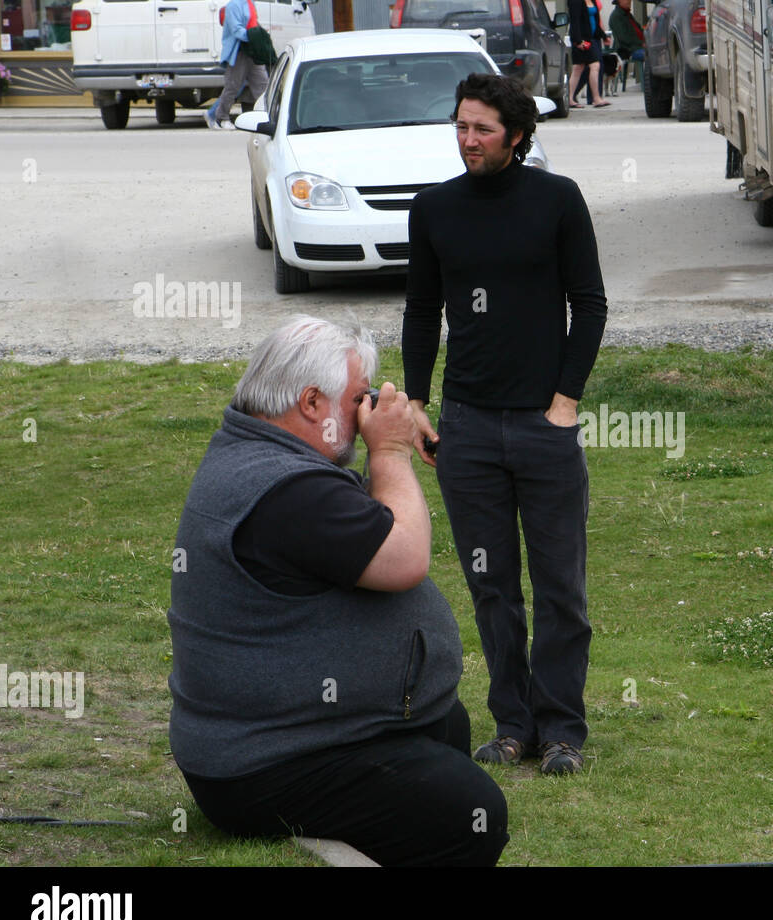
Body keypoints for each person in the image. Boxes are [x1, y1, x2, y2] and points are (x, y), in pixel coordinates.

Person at [168, 317, 507, 866]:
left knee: (446, 725)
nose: (366, 414)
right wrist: (391, 455)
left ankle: (346, 835)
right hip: (265, 763)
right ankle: (321, 836)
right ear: (310, 403)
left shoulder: (260, 456)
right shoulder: (286, 490)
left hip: (278, 738)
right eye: (358, 400)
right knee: (471, 813)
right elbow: (405, 559)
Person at [402, 73, 607, 775]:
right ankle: (512, 726)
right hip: (467, 428)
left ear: (516, 136)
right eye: (460, 127)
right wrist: (419, 403)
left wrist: (565, 403)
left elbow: (591, 303)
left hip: (542, 430)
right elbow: (421, 310)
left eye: (482, 129)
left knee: (560, 590)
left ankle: (562, 732)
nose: (467, 141)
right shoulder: (434, 209)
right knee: (492, 587)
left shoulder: (557, 200)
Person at [206, 0, 269, 130]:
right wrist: (253, 36)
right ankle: (220, 118)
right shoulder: (233, 6)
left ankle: (267, 116)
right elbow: (236, 29)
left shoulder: (250, 3)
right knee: (233, 86)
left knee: (262, 84)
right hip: (239, 51)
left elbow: (253, 23)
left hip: (252, 51)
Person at [567, 0, 612, 107]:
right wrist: (578, 41)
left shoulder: (592, 1)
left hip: (591, 38)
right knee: (594, 65)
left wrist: (603, 36)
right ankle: (596, 98)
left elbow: (595, 22)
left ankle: (569, 98)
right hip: (581, 40)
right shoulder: (575, 2)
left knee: (578, 68)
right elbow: (575, 21)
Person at [610, 0, 646, 85]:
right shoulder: (616, 16)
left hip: (639, 46)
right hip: (628, 50)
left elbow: (639, 29)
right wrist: (642, 43)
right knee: (650, 55)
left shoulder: (628, 14)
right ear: (619, 1)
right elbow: (624, 38)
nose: (629, 1)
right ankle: (650, 83)